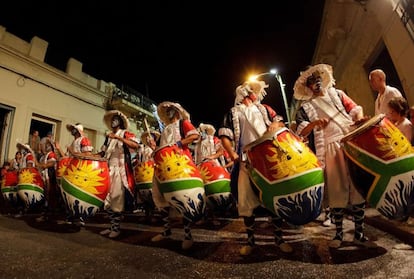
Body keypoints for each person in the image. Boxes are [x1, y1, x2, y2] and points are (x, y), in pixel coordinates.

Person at [294, 63, 377, 249]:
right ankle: (339, 234)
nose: (315, 83)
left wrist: (359, 120)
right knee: (337, 190)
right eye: (311, 82)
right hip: (330, 147)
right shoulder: (305, 108)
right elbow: (302, 132)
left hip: (349, 140)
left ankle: (359, 234)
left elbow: (356, 109)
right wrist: (314, 122)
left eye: (317, 80)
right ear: (307, 87)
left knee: (357, 188)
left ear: (322, 81)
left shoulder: (337, 94)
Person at [218, 79, 291, 256]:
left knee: (274, 196)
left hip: (268, 157)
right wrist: (232, 154)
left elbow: (280, 122)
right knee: (246, 199)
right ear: (245, 94)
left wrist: (276, 124)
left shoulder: (264, 108)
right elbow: (224, 135)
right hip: (245, 160)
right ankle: (251, 241)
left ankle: (279, 239)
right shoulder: (233, 112)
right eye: (253, 92)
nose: (256, 94)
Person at [150, 101, 200, 250]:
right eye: (168, 110)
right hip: (163, 166)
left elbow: (194, 136)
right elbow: (161, 148)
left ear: (177, 111)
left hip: (180, 163)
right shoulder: (165, 129)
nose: (169, 112)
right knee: (160, 198)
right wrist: (154, 146)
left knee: (182, 198)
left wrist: (178, 144)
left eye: (172, 109)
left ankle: (188, 235)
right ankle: (166, 231)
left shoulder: (183, 123)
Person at [99, 110, 139, 238]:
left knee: (116, 198)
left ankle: (116, 228)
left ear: (120, 122)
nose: (113, 121)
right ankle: (112, 226)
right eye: (112, 120)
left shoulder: (125, 133)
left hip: (119, 170)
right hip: (108, 169)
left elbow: (135, 145)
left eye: (115, 119)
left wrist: (119, 137)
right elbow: (102, 153)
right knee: (107, 199)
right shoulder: (108, 137)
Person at [56, 123, 94, 225]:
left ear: (78, 130)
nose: (72, 131)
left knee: (78, 194)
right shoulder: (74, 142)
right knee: (69, 193)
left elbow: (88, 154)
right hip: (71, 169)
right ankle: (71, 216)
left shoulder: (84, 140)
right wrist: (59, 149)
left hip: (80, 170)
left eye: (74, 129)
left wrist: (72, 151)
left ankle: (81, 218)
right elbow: (67, 157)